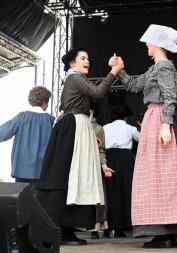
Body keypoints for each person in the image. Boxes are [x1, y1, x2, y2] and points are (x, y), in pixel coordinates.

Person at [109, 24, 177, 248]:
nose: (145, 45)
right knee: (160, 177)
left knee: (163, 176)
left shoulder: (164, 67)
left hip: (161, 117)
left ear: (157, 44)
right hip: (156, 117)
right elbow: (133, 86)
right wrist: (120, 68)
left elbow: (171, 97)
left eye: (148, 42)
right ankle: (170, 233)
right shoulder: (156, 68)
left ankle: (166, 232)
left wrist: (165, 125)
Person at [37, 47, 124, 245]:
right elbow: (99, 92)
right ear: (72, 63)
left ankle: (66, 229)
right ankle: (62, 230)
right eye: (83, 58)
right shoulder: (75, 78)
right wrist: (114, 72)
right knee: (70, 175)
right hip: (73, 128)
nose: (88, 61)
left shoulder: (74, 79)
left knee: (75, 176)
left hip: (77, 128)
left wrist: (90, 136)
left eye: (88, 58)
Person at [0, 86, 54, 197]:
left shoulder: (22, 117)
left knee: (21, 203)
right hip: (41, 170)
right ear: (45, 102)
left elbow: (3, 133)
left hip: (21, 168)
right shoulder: (50, 120)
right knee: (36, 205)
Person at [102, 104, 140, 238]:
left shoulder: (105, 128)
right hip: (125, 159)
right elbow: (142, 139)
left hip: (108, 158)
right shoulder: (130, 128)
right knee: (125, 191)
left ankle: (107, 227)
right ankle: (120, 227)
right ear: (126, 116)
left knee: (109, 191)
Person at [88, 101, 113, 239]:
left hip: (94, 164)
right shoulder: (74, 125)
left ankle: (95, 229)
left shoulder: (98, 128)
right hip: (79, 165)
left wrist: (103, 165)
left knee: (97, 197)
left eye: (90, 110)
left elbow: (101, 150)